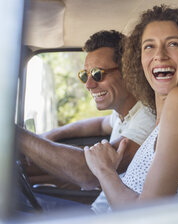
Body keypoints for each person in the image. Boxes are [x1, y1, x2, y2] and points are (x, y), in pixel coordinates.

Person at [84, 5, 178, 212]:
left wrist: (104, 172)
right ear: (139, 59)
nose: (160, 55)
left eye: (173, 44)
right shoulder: (163, 118)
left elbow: (147, 212)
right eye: (149, 47)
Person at [16, 30, 156, 195]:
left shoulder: (148, 117)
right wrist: (52, 134)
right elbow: (97, 125)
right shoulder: (122, 114)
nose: (88, 85)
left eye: (97, 74)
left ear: (129, 73)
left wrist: (17, 135)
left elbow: (90, 173)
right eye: (85, 75)